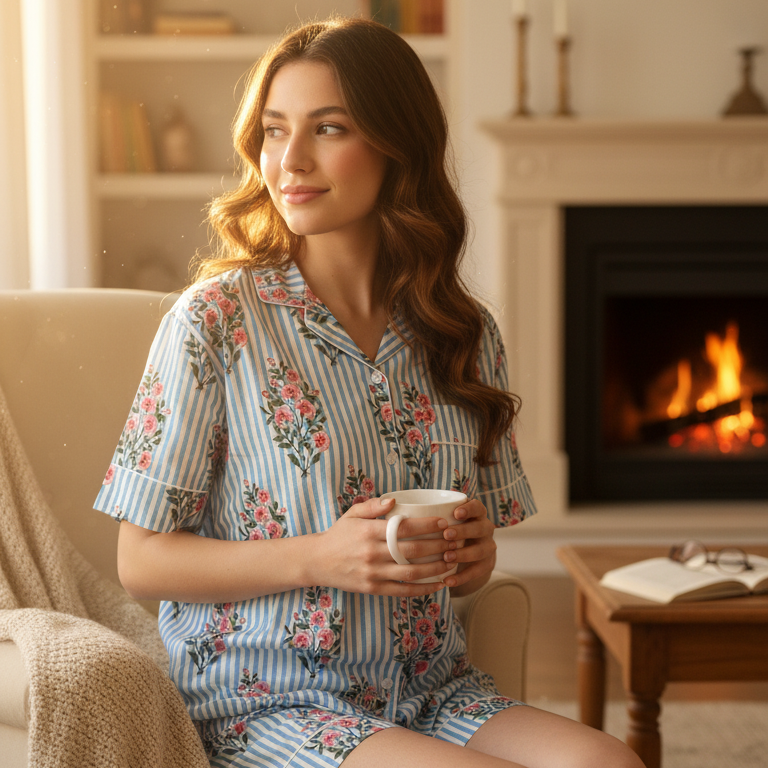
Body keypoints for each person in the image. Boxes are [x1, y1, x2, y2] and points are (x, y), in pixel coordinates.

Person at [95, 16, 643, 768]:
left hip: (431, 691)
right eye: (275, 129)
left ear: (396, 145)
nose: (290, 159)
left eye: (328, 128)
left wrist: (474, 555)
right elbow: (141, 562)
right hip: (269, 701)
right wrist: (318, 558)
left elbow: (472, 554)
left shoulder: (461, 330)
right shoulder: (215, 321)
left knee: (610, 763)